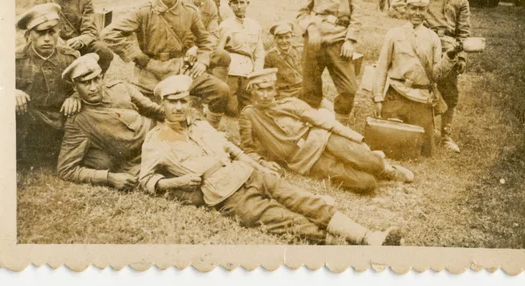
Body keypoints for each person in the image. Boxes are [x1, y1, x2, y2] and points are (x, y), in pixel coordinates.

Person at [140, 75, 403, 246]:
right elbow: (146, 179)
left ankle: (369, 237)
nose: (178, 107)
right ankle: (337, 243)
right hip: (225, 195)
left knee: (302, 199)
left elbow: (233, 149)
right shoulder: (155, 139)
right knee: (283, 220)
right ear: (161, 104)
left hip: (250, 173)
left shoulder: (200, 126)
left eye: (182, 101)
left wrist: (258, 166)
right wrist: (177, 183)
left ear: (189, 102)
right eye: (172, 102)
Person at [101, 0, 230, 129]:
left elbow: (206, 41)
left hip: (181, 70)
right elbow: (108, 34)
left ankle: (209, 132)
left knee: (221, 90)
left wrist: (202, 61)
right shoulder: (143, 11)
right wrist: (137, 56)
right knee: (140, 116)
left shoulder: (189, 11)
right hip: (150, 73)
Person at [239, 69, 414, 194]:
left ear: (275, 90)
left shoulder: (289, 103)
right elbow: (248, 149)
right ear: (251, 91)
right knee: (366, 184)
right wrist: (262, 162)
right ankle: (368, 165)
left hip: (322, 138)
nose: (265, 95)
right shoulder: (249, 115)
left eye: (269, 89)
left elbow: (324, 122)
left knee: (374, 163)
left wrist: (357, 138)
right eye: (260, 90)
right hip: (306, 161)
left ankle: (386, 169)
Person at [391, 0, 471, 152]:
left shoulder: (461, 0)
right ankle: (419, 127)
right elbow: (397, 2)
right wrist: (417, 23)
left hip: (449, 48)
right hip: (425, 42)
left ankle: (445, 136)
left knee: (449, 92)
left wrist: (461, 57)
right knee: (422, 85)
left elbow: (465, 32)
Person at [372, 0, 462, 156]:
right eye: (413, 8)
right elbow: (382, 67)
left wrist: (449, 56)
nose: (417, 13)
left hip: (420, 97)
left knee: (425, 151)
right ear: (406, 9)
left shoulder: (432, 37)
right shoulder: (394, 34)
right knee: (386, 143)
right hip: (396, 94)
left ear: (426, 12)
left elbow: (436, 75)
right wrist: (378, 97)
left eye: (422, 9)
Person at [57, 54, 164, 189]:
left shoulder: (120, 87)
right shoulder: (78, 121)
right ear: (74, 87)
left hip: (160, 134)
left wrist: (181, 119)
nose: (93, 87)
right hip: (139, 158)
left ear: (102, 77)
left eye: (96, 79)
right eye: (85, 83)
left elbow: (153, 109)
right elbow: (66, 169)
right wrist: (109, 178)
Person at [296, 0, 363, 125]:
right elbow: (301, 12)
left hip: (340, 39)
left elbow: (357, 12)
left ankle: (340, 125)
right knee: (310, 89)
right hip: (315, 40)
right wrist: (311, 28)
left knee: (349, 89)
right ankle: (308, 126)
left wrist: (350, 40)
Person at [15, 3, 80, 165]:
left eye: (52, 32)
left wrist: (76, 95)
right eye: (40, 33)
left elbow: (88, 85)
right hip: (30, 119)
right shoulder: (15, 59)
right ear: (29, 34)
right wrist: (10, 91)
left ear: (59, 32)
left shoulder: (70, 58)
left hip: (62, 119)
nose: (47, 39)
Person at [35, 0, 114, 73]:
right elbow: (36, 30)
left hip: (79, 46)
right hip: (52, 45)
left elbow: (90, 30)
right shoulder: (42, 1)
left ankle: (94, 81)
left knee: (103, 51)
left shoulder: (83, 0)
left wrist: (81, 40)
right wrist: (58, 43)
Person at [217, 0, 265, 116]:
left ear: (247, 3)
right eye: (235, 3)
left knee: (250, 107)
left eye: (242, 2)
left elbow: (259, 52)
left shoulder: (255, 25)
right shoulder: (225, 26)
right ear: (230, 5)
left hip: (248, 72)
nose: (239, 6)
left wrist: (257, 73)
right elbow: (219, 52)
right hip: (231, 71)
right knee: (232, 111)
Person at [179, 0, 230, 81]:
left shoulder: (211, 5)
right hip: (180, 47)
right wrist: (190, 46)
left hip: (201, 48)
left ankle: (214, 86)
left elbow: (213, 34)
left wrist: (203, 54)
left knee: (223, 56)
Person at [264, 20, 303, 99]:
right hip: (284, 94)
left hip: (303, 90)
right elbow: (268, 80)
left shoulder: (299, 50)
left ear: (291, 37)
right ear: (275, 39)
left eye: (287, 37)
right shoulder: (270, 56)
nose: (284, 41)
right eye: (280, 38)